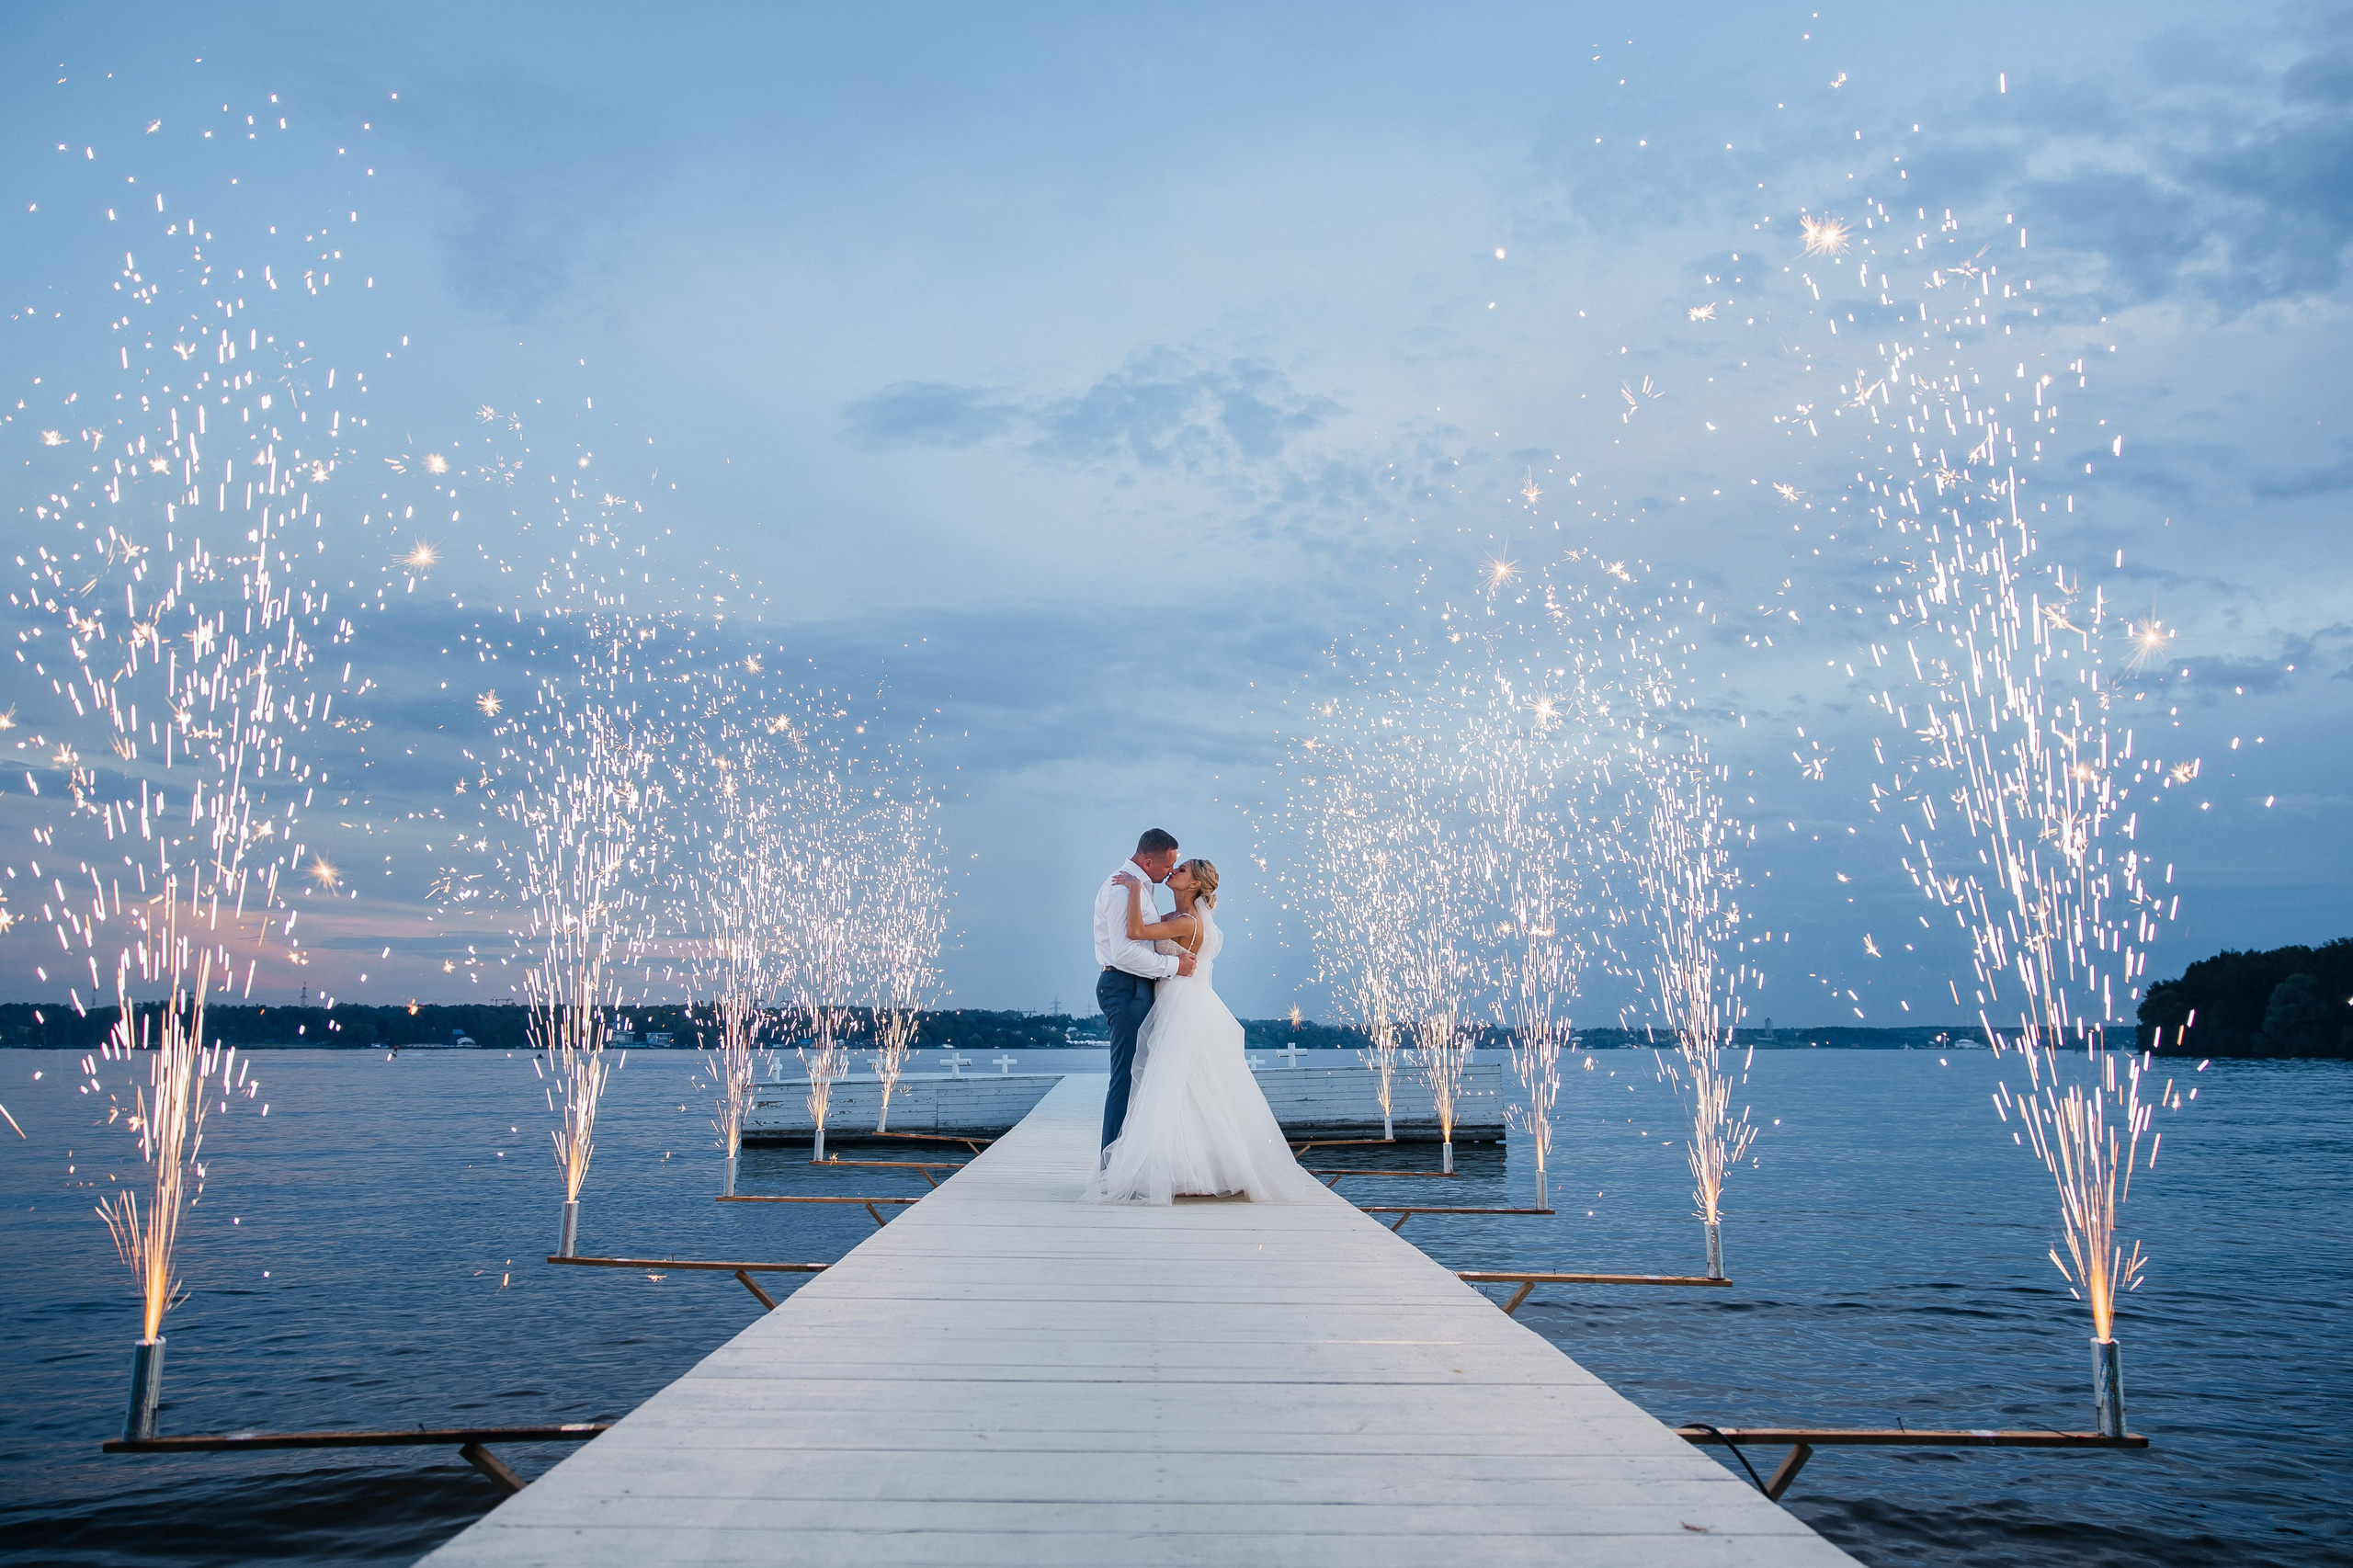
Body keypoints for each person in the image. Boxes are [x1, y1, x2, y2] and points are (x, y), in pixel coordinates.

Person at [1084, 855, 1326, 1204]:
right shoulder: (1184, 918)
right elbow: (1150, 929)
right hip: (1181, 999)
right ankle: (1198, 1166)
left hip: (1177, 1001)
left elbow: (1136, 931)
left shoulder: (1186, 921)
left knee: (1170, 1081)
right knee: (1186, 1083)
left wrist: (1136, 888)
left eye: (1181, 870)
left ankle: (1175, 1169)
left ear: (1194, 883)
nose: (1174, 871)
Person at [1093, 828, 1194, 1153]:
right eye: (1168, 866)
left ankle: (1134, 1160)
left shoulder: (1140, 887)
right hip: (1126, 986)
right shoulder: (1123, 889)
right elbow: (1124, 952)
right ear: (1148, 861)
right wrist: (1173, 967)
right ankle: (1112, 1168)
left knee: (1141, 1078)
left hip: (1137, 986)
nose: (1169, 873)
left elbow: (1149, 932)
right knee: (1125, 1078)